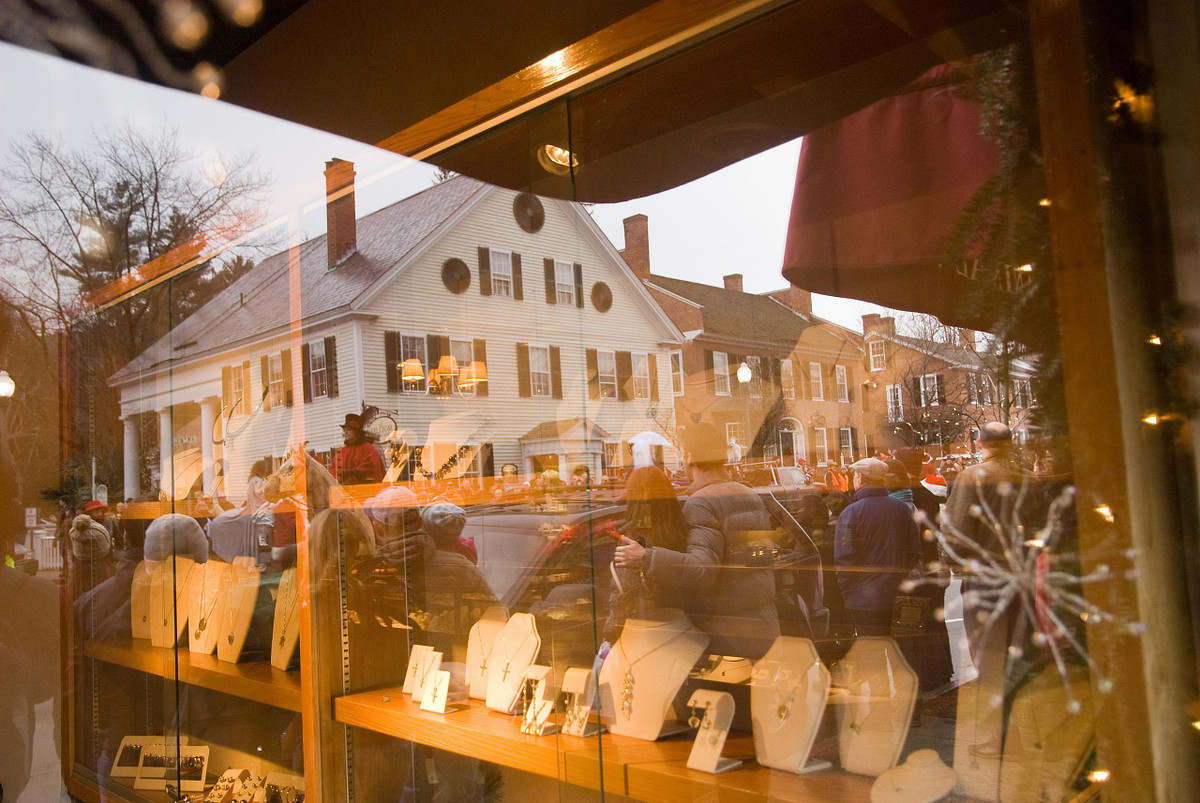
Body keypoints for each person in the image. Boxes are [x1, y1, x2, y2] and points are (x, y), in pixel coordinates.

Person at [613, 422, 778, 658]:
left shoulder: (701, 502)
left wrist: (646, 557)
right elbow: (764, 555)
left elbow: (702, 570)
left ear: (690, 457)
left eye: (682, 453)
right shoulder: (749, 494)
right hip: (764, 624)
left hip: (728, 634)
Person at [833, 457, 921, 637]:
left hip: (864, 601)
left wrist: (849, 592)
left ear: (860, 477)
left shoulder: (851, 513)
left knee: (873, 655)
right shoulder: (901, 508)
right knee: (899, 654)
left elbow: (844, 561)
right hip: (897, 594)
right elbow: (913, 552)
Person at [603, 466, 690, 643]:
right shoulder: (682, 530)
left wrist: (607, 635)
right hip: (681, 631)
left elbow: (623, 600)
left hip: (642, 638)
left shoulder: (633, 542)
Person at [332, 413, 385, 485]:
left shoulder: (368, 448)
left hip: (364, 489)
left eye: (349, 429)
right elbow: (333, 469)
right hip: (344, 490)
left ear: (356, 432)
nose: (346, 432)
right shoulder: (342, 451)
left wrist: (354, 472)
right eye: (344, 430)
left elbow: (372, 467)